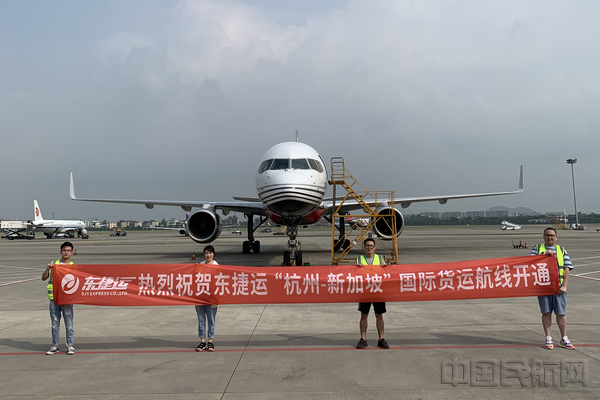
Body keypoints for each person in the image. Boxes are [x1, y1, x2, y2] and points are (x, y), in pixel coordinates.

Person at [530, 227, 575, 350]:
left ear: (556, 237)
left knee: (561, 313)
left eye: (552, 235)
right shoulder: (537, 248)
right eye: (547, 235)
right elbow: (529, 262)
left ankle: (563, 338)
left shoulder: (561, 250)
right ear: (543, 236)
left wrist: (564, 285)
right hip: (543, 287)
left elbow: (567, 268)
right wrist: (543, 255)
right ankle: (548, 337)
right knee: (546, 312)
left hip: (558, 287)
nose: (549, 237)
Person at [41, 241, 75, 355]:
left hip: (67, 299)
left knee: (69, 324)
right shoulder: (53, 264)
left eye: (68, 250)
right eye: (64, 250)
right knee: (55, 324)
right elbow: (43, 278)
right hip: (54, 298)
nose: (66, 252)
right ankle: (55, 345)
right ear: (60, 252)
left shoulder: (73, 266)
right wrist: (47, 269)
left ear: (72, 252)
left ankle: (70, 345)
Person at [355, 238, 389, 349]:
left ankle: (381, 339)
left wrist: (385, 267)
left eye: (371, 246)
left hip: (377, 290)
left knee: (379, 315)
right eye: (367, 245)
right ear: (364, 247)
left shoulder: (380, 258)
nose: (369, 247)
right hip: (365, 291)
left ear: (374, 247)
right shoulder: (359, 259)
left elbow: (386, 273)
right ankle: (363, 339)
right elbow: (354, 274)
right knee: (364, 315)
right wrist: (357, 268)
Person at [195, 245, 218, 352]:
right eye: (206, 253)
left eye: (210, 253)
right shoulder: (200, 265)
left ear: (213, 254)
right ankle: (202, 341)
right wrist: (195, 268)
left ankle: (210, 341)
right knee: (201, 319)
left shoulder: (217, 266)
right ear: (204, 254)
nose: (208, 255)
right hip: (200, 296)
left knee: (211, 319)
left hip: (212, 297)